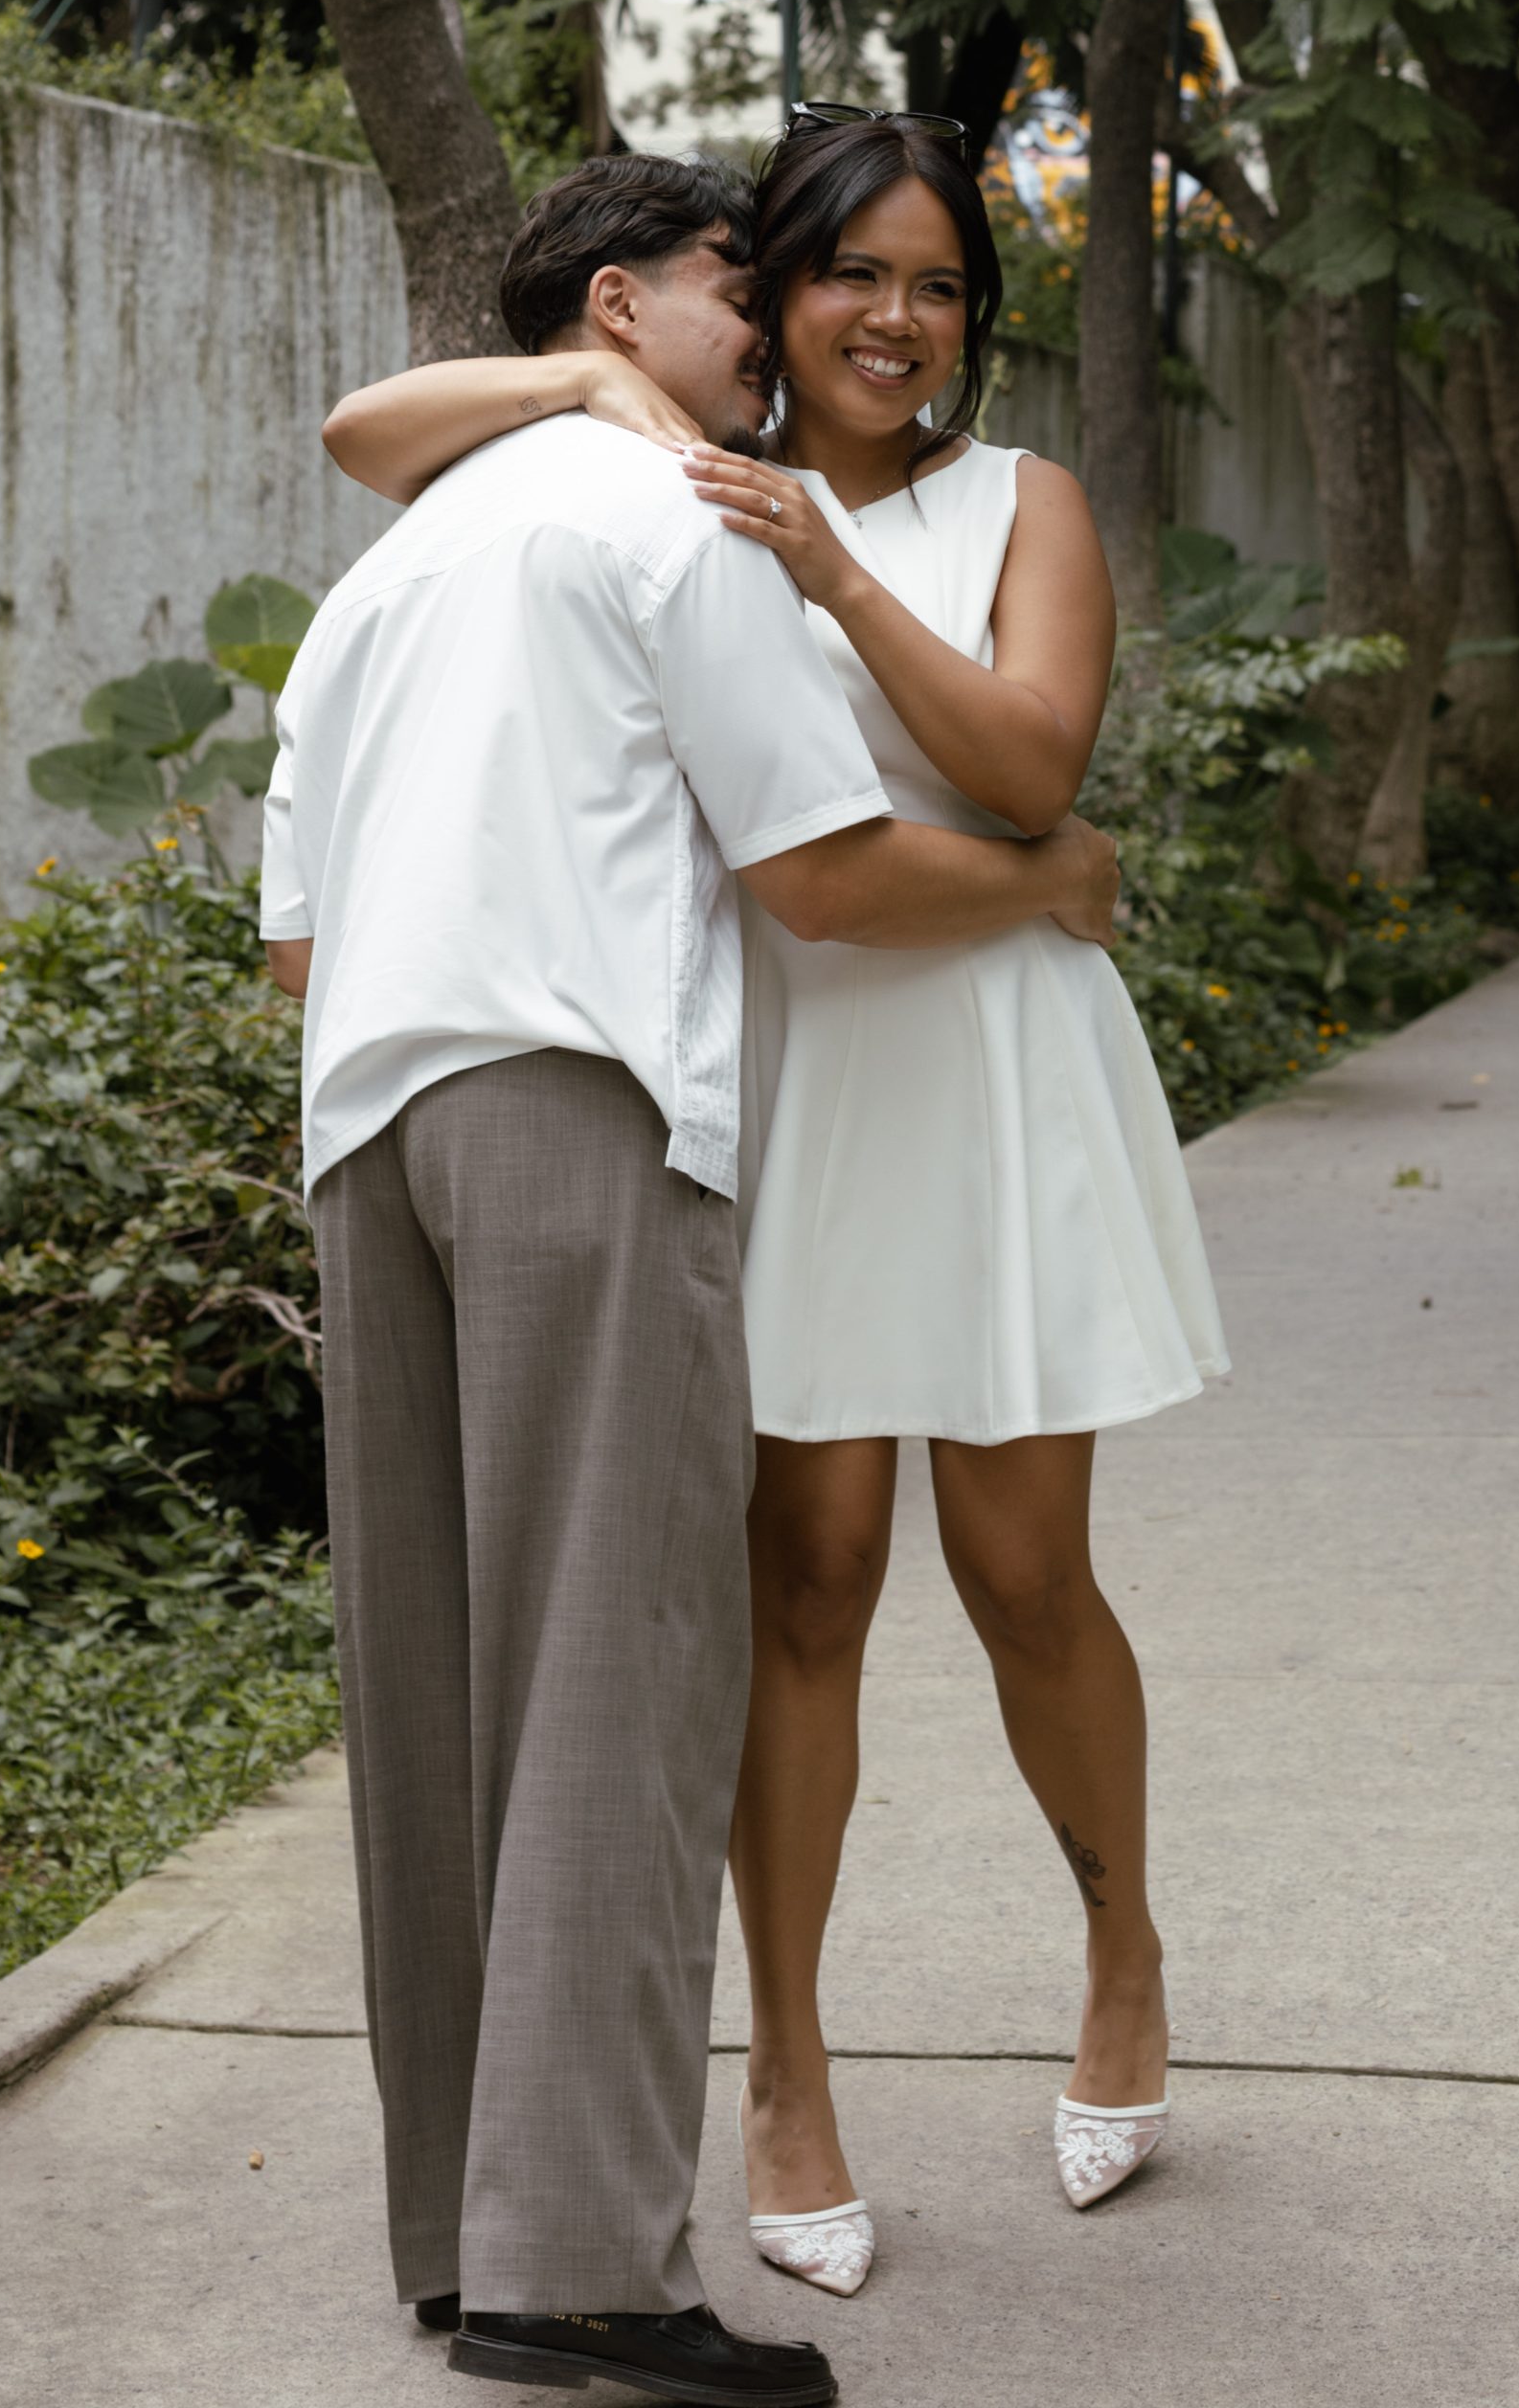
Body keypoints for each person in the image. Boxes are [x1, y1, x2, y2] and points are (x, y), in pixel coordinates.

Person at [325, 111, 1227, 2298]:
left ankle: (1121, 1955)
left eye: (942, 286)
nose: (898, 320)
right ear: (781, 292)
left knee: (1026, 1572)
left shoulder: (1019, 505)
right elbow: (370, 436)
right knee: (799, 1579)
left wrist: (835, 570)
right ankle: (787, 2073)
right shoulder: (669, 477)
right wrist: (587, 375)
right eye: (852, 276)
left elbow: (1032, 767)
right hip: (779, 1060)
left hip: (990, 1067)